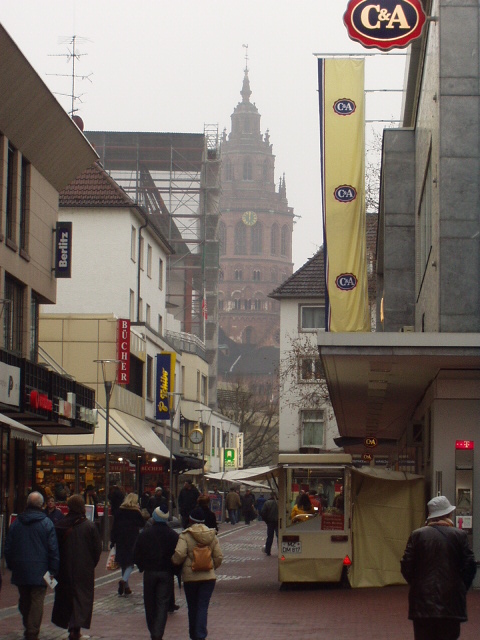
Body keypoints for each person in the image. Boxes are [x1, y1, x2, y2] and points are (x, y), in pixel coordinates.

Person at [401, 495, 477, 640]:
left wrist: (418, 584)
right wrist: (460, 586)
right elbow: (470, 566)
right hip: (451, 602)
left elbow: (406, 565)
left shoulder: (417, 535)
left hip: (422, 602)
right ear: (448, 514)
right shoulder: (459, 535)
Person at [4, 491, 59, 640]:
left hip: (21, 569)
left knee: (24, 599)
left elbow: (8, 547)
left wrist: (11, 564)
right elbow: (53, 548)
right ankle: (32, 631)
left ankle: (29, 626)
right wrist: (53, 569)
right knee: (36, 601)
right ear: (41, 505)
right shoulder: (47, 523)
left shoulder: (17, 524)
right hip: (41, 570)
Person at [51, 494, 102, 640]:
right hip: (84, 570)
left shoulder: (60, 525)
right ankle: (76, 627)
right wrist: (90, 564)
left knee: (66, 598)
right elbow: (97, 549)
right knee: (81, 599)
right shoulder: (89, 526)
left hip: (64, 569)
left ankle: (70, 625)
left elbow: (54, 548)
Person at [172, 507, 223, 640]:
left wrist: (175, 563)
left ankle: (194, 635)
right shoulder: (212, 535)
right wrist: (211, 567)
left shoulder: (185, 535)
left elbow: (179, 554)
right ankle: (201, 635)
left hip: (190, 578)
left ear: (190, 520)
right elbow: (218, 557)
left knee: (192, 607)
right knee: (203, 606)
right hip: (208, 578)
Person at [134, 505, 180, 640]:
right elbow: (178, 555)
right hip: (166, 573)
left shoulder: (145, 534)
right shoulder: (173, 535)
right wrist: (175, 569)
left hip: (150, 572)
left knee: (149, 603)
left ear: (153, 517)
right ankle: (158, 633)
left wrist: (142, 566)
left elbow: (136, 554)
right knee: (162, 603)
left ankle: (153, 629)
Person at [110, 492, 145, 596]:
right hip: (132, 539)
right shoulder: (135, 512)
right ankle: (124, 581)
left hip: (120, 539)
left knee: (123, 563)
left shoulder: (119, 511)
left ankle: (127, 587)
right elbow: (142, 524)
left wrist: (113, 540)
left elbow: (114, 527)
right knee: (131, 562)